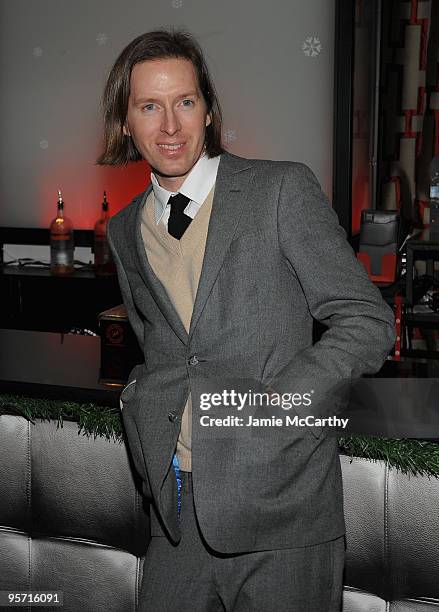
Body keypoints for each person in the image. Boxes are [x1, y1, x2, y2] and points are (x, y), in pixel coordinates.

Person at [97, 28, 395, 611]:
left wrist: (281, 407)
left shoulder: (280, 190)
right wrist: (142, 399)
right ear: (125, 124)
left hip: (281, 510)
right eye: (149, 107)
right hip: (176, 510)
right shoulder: (124, 229)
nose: (171, 126)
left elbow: (366, 319)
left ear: (208, 111)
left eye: (185, 102)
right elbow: (163, 345)